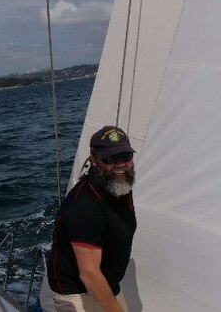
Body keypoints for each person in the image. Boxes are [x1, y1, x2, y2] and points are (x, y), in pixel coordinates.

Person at [46, 125, 137, 312]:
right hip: (77, 294)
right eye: (110, 159)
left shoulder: (120, 186)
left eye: (126, 156)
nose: (120, 164)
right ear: (94, 161)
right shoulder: (84, 206)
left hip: (107, 286)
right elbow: (89, 273)